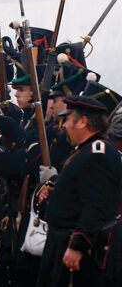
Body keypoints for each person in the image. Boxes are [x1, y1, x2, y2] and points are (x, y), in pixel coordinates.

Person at [35, 95, 122, 287]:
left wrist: (78, 245)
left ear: (82, 121)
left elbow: (96, 205)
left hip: (81, 249)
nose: (64, 125)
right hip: (62, 241)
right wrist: (56, 189)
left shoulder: (97, 153)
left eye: (67, 119)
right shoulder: (86, 151)